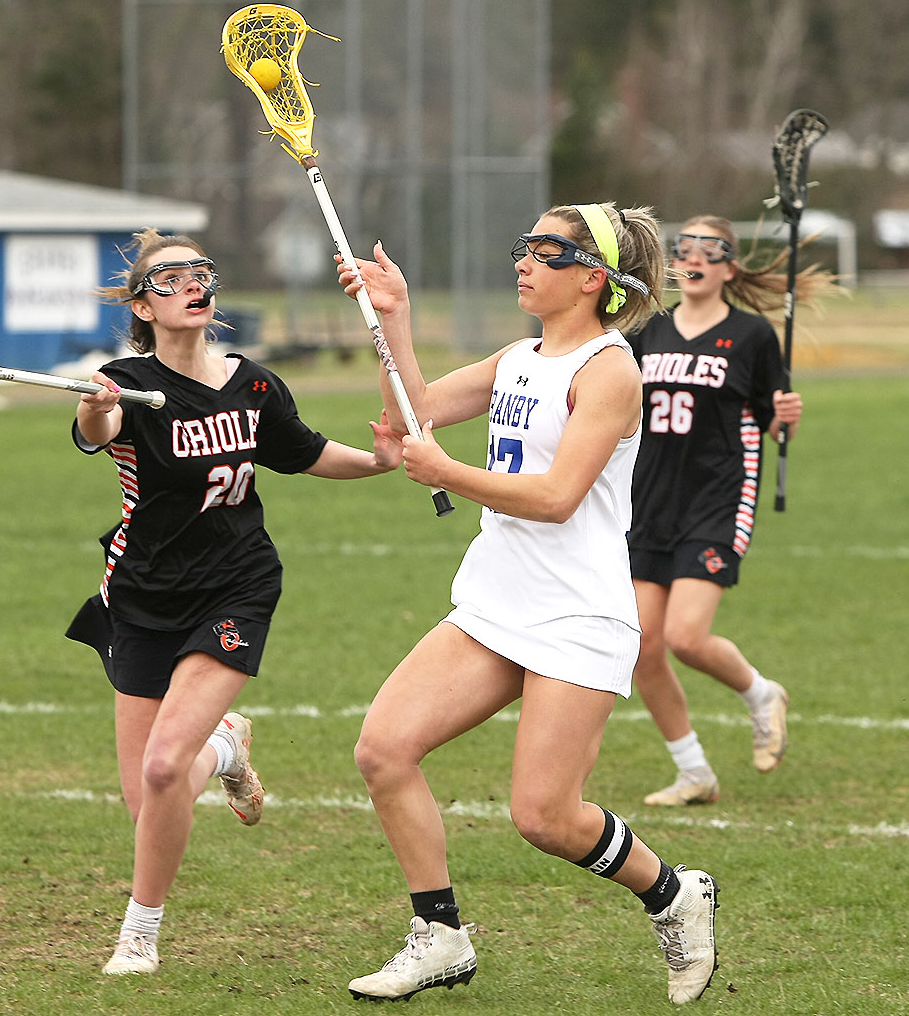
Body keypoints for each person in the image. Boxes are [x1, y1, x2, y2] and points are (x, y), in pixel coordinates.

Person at [335, 203, 720, 1006]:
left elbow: (554, 497)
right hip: (496, 598)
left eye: (545, 250)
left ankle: (675, 893)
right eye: (524, 246)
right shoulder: (520, 356)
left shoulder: (609, 372)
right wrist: (393, 318)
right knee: (384, 750)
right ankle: (440, 935)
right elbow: (419, 410)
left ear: (594, 279)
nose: (524, 261)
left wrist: (448, 473)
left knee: (546, 818)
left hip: (578, 611)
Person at [63, 228, 403, 977]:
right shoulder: (121, 380)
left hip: (236, 585)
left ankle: (138, 936)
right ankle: (225, 746)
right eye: (168, 277)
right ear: (143, 306)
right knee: (147, 797)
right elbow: (99, 430)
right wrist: (97, 405)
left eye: (199, 272)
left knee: (159, 773)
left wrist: (380, 463)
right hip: (142, 595)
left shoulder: (252, 384)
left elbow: (306, 453)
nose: (190, 283)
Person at [627, 216, 833, 807]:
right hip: (648, 503)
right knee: (643, 645)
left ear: (728, 268)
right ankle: (694, 772)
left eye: (707, 249)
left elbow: (772, 420)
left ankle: (762, 694)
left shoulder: (751, 337)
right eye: (682, 247)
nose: (693, 256)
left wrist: (784, 417)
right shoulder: (648, 329)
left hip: (718, 500)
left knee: (687, 637)